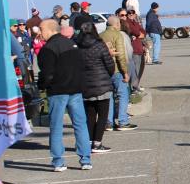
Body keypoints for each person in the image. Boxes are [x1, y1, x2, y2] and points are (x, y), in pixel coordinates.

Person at [37, 19, 92, 171]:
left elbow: (46, 73)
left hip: (58, 91)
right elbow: (81, 66)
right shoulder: (72, 44)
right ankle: (86, 160)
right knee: (80, 125)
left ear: (50, 29)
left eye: (41, 29)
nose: (39, 33)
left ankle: (58, 161)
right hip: (75, 89)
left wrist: (41, 86)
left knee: (56, 126)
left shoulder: (48, 48)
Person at [77, 22, 115, 153]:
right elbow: (110, 65)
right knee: (103, 115)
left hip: (85, 85)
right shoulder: (99, 45)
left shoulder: (78, 46)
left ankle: (88, 142)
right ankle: (97, 143)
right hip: (102, 84)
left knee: (90, 115)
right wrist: (108, 75)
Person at [101, 15, 137, 131]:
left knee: (109, 96)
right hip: (116, 70)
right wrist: (125, 72)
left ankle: (109, 122)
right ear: (117, 24)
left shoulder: (100, 35)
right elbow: (121, 55)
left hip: (104, 71)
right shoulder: (118, 35)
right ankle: (123, 121)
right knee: (123, 95)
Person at [122, 7, 147, 92]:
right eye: (129, 13)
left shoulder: (135, 22)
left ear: (135, 15)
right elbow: (135, 31)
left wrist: (139, 35)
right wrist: (138, 34)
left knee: (139, 69)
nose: (131, 15)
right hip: (134, 50)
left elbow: (144, 32)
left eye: (133, 13)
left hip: (139, 48)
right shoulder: (127, 23)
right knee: (135, 70)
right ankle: (133, 87)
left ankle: (136, 85)